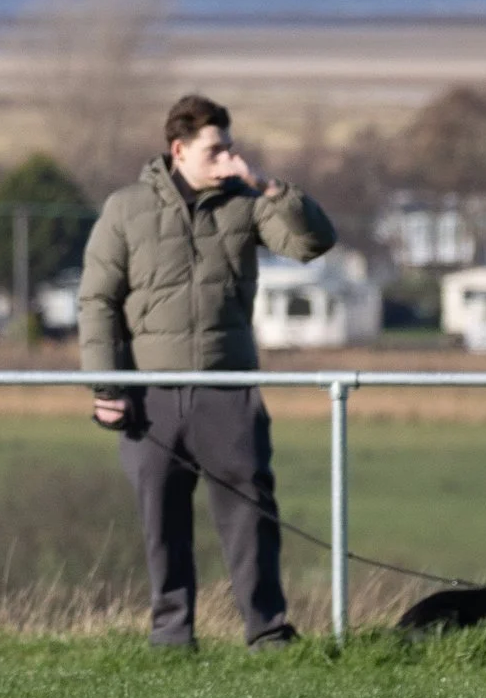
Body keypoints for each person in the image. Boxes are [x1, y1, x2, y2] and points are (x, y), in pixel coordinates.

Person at [78, 94, 338, 650]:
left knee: (251, 517)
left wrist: (269, 188)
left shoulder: (246, 201)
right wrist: (106, 387)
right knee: (161, 523)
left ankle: (267, 633)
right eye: (215, 148)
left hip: (229, 391)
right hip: (148, 397)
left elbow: (314, 243)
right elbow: (97, 301)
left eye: (231, 146)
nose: (228, 158)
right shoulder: (126, 209)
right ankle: (171, 638)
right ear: (179, 149)